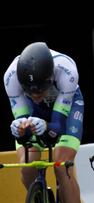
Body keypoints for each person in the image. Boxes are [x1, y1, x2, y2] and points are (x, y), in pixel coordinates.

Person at [4, 42, 83, 203]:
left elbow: (57, 127)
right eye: (29, 89)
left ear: (50, 78)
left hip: (65, 108)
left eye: (40, 88)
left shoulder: (67, 71)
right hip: (34, 111)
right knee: (27, 166)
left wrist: (46, 126)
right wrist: (20, 129)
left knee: (61, 166)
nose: (35, 94)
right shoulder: (10, 77)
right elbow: (23, 128)